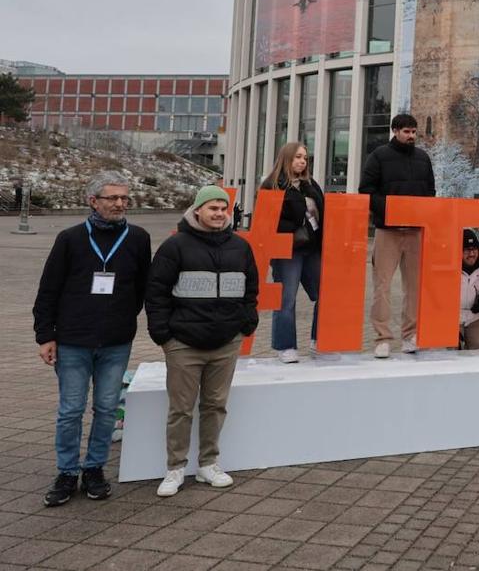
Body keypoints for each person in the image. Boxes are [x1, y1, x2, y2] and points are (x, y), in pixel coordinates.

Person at [33, 172, 151, 507]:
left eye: (124, 198)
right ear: (93, 201)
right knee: (71, 410)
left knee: (106, 408)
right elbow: (48, 290)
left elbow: (142, 286)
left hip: (116, 341)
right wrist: (45, 335)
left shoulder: (138, 238)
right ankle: (67, 472)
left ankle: (95, 469)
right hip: (72, 341)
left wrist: (124, 316)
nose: (119, 204)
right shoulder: (69, 239)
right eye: (112, 198)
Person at [145, 186, 259, 497]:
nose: (219, 213)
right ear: (197, 211)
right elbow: (156, 293)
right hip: (184, 343)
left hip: (226, 342)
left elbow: (251, 289)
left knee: (215, 406)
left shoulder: (241, 247)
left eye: (223, 208)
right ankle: (175, 468)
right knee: (181, 409)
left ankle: (209, 464)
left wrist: (245, 325)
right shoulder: (175, 246)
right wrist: (164, 336)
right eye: (213, 208)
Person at [359, 113, 436, 357]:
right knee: (381, 286)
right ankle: (382, 338)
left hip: (415, 232)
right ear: (395, 131)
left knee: (413, 287)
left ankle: (410, 335)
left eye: (414, 132)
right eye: (406, 131)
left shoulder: (424, 158)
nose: (411, 136)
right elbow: (366, 190)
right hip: (387, 231)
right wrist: (390, 210)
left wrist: (421, 213)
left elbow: (431, 191)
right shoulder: (379, 156)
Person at [260, 143, 324, 363]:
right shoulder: (272, 185)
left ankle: (319, 340)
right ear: (286, 158)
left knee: (325, 294)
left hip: (312, 248)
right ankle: (286, 346)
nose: (302, 162)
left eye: (305, 158)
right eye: (298, 157)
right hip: (287, 249)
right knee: (286, 299)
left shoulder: (310, 184)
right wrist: (298, 221)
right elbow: (268, 220)